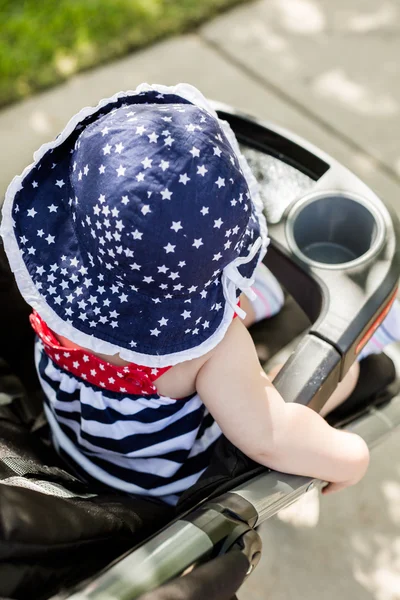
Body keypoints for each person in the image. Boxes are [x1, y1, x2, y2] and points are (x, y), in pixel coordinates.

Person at [2, 83, 398, 505]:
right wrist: (348, 456)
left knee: (197, 332)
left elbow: (146, 293)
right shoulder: (212, 352)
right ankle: (272, 323)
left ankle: (250, 299)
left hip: (81, 448)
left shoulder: (53, 290)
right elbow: (269, 435)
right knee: (339, 373)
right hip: (174, 481)